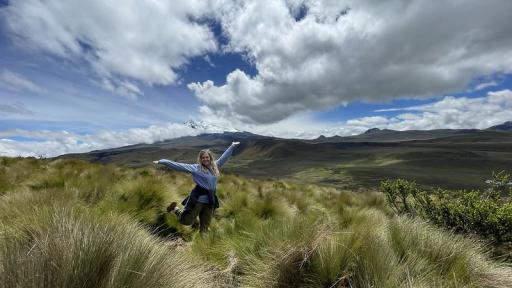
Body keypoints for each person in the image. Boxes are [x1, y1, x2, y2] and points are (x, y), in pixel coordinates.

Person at [153, 142, 240, 232]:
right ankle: (175, 209)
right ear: (200, 159)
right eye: (203, 158)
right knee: (186, 221)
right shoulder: (196, 168)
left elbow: (224, 158)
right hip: (198, 200)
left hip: (210, 200)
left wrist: (232, 146)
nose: (205, 159)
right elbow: (179, 166)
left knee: (205, 226)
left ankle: (203, 244)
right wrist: (162, 161)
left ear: (210, 157)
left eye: (207, 157)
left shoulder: (215, 166)